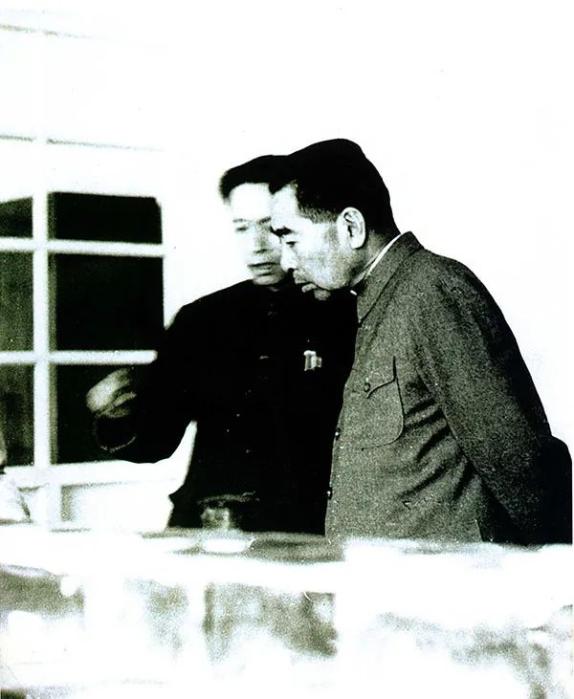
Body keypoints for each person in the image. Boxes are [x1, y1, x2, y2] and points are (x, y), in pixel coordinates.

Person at [269, 138, 571, 544]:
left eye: (290, 239)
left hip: (444, 581)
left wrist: (553, 571)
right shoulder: (382, 300)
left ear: (351, 227)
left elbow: (518, 461)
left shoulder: (431, 291)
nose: (286, 261)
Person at [87, 155, 356, 534]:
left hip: (308, 533)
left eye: (271, 227)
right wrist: (117, 413)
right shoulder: (201, 319)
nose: (257, 246)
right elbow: (156, 441)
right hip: (212, 530)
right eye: (242, 228)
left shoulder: (346, 314)